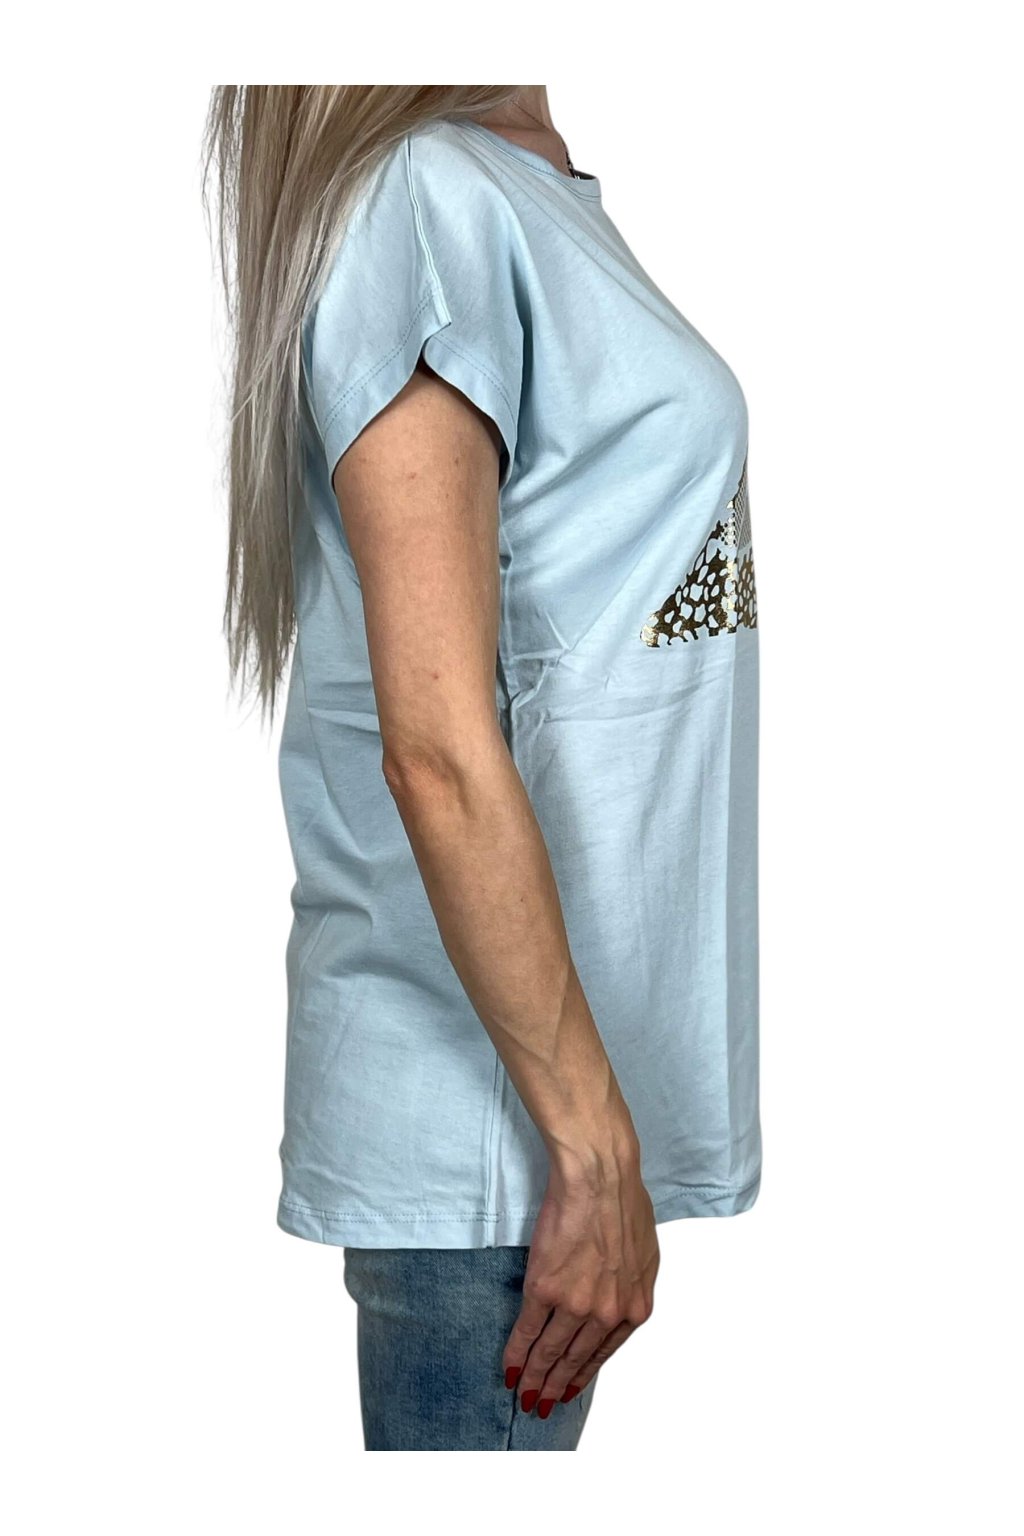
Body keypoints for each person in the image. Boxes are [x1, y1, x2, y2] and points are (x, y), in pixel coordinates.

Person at [203, 84, 762, 1452]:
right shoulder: (427, 196)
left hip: (544, 1121)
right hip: (501, 1146)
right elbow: (437, 752)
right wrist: (588, 1145)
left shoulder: (510, 185)